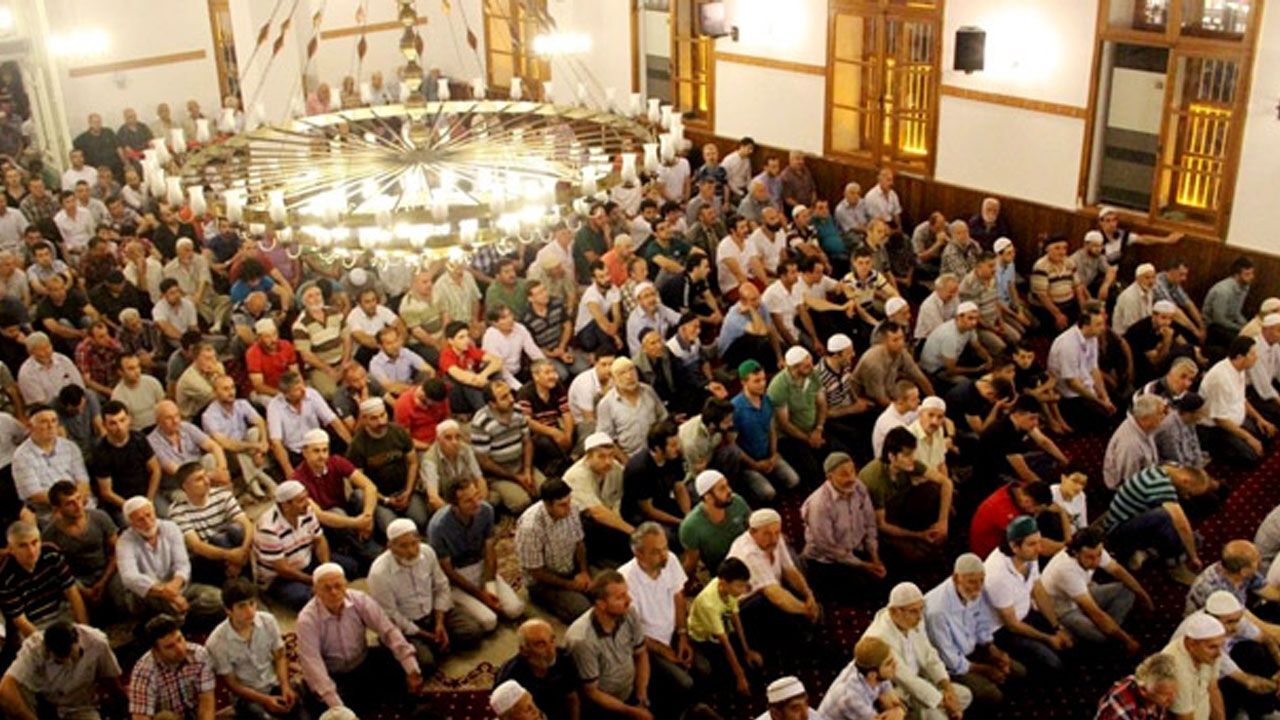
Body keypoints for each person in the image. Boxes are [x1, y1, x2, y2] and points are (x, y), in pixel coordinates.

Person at [295, 563, 426, 713]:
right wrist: (338, 707)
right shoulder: (307, 620)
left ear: (346, 584)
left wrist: (411, 670)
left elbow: (388, 631)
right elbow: (313, 663)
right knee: (320, 703)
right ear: (315, 591)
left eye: (338, 586)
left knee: (414, 664)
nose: (334, 592)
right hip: (334, 674)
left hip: (363, 661)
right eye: (327, 588)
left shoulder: (360, 600)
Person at [368, 518, 484, 675]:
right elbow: (391, 615)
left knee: (472, 632)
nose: (411, 551)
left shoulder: (427, 552)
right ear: (390, 547)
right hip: (407, 625)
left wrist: (439, 623)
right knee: (425, 664)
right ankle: (430, 645)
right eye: (403, 546)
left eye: (414, 543)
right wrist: (426, 635)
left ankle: (437, 643)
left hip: (433, 613)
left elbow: (441, 586)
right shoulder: (379, 574)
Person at [619, 522, 706, 710]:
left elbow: (678, 596)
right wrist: (664, 651)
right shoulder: (625, 580)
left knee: (704, 669)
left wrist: (682, 635)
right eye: (656, 552)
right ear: (639, 554)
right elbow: (635, 631)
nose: (664, 554)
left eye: (665, 547)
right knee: (684, 683)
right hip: (648, 645)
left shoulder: (670, 560)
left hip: (673, 632)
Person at [924, 554, 1024, 708]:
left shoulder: (974, 590)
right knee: (992, 694)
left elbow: (981, 623)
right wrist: (985, 670)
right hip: (950, 667)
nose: (978, 587)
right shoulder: (937, 611)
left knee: (1018, 671)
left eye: (981, 581)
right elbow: (950, 659)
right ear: (956, 579)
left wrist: (992, 649)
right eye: (972, 582)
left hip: (972, 650)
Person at [863, 582, 973, 719]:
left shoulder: (915, 619)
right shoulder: (879, 636)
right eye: (914, 611)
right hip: (896, 691)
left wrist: (947, 688)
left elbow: (929, 655)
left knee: (964, 695)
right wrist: (944, 702)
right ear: (894, 611)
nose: (920, 616)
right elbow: (906, 680)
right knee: (937, 714)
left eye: (921, 609)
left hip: (921, 681)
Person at [428, 476, 524, 632]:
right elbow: (447, 570)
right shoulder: (438, 528)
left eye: (477, 496)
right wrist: (481, 595)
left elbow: (489, 549)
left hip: (480, 566)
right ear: (454, 505)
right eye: (468, 501)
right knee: (489, 621)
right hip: (456, 577)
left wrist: (489, 586)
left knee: (515, 609)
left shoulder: (486, 511)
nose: (477, 503)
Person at [205, 578, 306, 719]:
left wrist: (285, 686)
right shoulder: (216, 642)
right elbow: (232, 684)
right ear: (228, 610)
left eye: (252, 603)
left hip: (273, 683)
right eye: (242, 606)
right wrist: (265, 700)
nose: (250, 611)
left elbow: (280, 656)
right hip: (247, 696)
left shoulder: (268, 621)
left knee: (299, 711)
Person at [983, 516, 1073, 673]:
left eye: (1039, 541)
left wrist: (1057, 627)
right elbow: (1012, 624)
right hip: (1002, 630)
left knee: (1068, 641)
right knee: (1052, 663)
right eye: (1032, 544)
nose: (1039, 548)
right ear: (1014, 546)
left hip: (1025, 613)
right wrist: (1048, 638)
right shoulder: (997, 575)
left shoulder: (1029, 555)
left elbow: (1037, 589)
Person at [117, 495, 223, 626]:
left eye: (149, 515)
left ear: (154, 512)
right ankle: (182, 620)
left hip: (178, 588)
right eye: (140, 520)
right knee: (143, 592)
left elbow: (182, 564)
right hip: (150, 594)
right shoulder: (124, 541)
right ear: (131, 524)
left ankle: (178, 620)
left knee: (217, 598)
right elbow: (130, 577)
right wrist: (166, 593)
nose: (147, 522)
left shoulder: (170, 528)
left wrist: (173, 589)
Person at [727, 508, 820, 658]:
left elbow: (789, 570)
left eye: (777, 532)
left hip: (774, 588)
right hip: (747, 606)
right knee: (776, 609)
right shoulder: (749, 553)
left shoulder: (775, 538)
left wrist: (809, 594)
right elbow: (774, 595)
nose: (774, 539)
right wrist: (806, 610)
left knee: (799, 565)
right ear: (752, 532)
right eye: (767, 534)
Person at [1041, 527, 1151, 652]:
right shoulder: (1066, 570)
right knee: (1101, 637)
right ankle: (1105, 632)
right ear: (1076, 553)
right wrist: (1127, 640)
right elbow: (1095, 613)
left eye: (1099, 555)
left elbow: (1118, 571)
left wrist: (1144, 596)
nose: (1096, 561)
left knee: (1128, 590)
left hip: (1083, 593)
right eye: (1090, 557)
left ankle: (1110, 628)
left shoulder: (1094, 550)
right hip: (1063, 610)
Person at [253, 481, 356, 611]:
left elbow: (319, 540)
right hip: (280, 578)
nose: (307, 503)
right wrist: (314, 580)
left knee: (350, 567)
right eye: (301, 500)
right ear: (286, 505)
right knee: (303, 598)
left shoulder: (306, 511)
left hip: (306, 560)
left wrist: (326, 569)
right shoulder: (268, 528)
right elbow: (283, 569)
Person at [564, 570, 654, 720]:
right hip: (604, 706)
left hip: (632, 690)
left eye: (626, 593)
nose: (629, 600)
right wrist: (630, 711)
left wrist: (641, 698)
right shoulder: (582, 640)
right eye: (620, 597)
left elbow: (641, 654)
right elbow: (592, 692)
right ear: (601, 604)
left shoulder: (629, 613)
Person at [860, 427, 953, 566]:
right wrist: (919, 535)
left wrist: (943, 521)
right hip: (880, 522)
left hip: (900, 506)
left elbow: (946, 482)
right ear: (892, 457)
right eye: (907, 455)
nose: (913, 458)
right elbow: (882, 525)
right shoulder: (875, 479)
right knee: (916, 555)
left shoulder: (909, 464)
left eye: (913, 453)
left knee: (934, 490)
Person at [290, 428, 381, 569]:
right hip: (323, 525)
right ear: (305, 452)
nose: (322, 456)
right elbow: (320, 515)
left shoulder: (336, 462)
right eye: (316, 451)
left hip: (346, 514)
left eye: (325, 450)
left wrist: (367, 517)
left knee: (360, 495)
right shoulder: (297, 479)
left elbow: (370, 487)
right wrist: (357, 523)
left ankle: (369, 539)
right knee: (336, 512)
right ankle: (368, 552)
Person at [801, 452, 886, 601]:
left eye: (853, 471)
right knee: (865, 589)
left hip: (855, 549)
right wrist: (864, 565)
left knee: (892, 569)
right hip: (828, 559)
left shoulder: (859, 487)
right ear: (830, 477)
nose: (851, 478)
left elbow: (870, 524)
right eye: (844, 474)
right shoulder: (820, 504)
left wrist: (875, 557)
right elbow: (828, 548)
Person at [0, 620, 122, 720]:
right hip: (40, 702)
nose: (68, 663)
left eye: (73, 658)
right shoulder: (34, 647)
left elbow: (111, 679)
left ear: (78, 640)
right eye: (59, 662)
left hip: (77, 706)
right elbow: (6, 688)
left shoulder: (97, 642)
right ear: (47, 650)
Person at [42, 481, 127, 620]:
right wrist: (83, 590)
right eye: (70, 503)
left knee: (122, 594)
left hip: (107, 572)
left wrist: (103, 581)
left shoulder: (99, 517)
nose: (78, 505)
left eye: (78, 499)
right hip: (76, 580)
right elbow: (56, 570)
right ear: (57, 508)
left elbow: (117, 551)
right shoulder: (50, 534)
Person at [345, 397, 425, 531]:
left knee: (421, 520)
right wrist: (385, 500)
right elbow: (360, 483)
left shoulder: (398, 432)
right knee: (391, 527)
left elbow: (413, 462)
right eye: (374, 418)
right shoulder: (357, 445)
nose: (381, 421)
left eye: (382, 415)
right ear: (364, 419)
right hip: (378, 497)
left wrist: (408, 491)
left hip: (404, 490)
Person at [687, 557, 762, 697]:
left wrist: (746, 650)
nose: (743, 590)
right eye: (739, 586)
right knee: (726, 678)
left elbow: (735, 617)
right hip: (704, 639)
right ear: (723, 583)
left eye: (744, 585)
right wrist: (740, 676)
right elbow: (724, 642)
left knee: (750, 663)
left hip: (724, 626)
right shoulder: (708, 604)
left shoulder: (728, 589)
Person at [168, 462, 254, 585]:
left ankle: (245, 582)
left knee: (236, 530)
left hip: (236, 551)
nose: (207, 481)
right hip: (207, 558)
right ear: (185, 486)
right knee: (219, 539)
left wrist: (242, 553)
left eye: (205, 476)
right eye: (199, 479)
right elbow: (196, 546)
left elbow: (247, 524)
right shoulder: (177, 510)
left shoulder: (222, 494)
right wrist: (230, 556)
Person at [1198, 336, 1276, 467]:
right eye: (1252, 354)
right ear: (1240, 357)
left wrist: (1260, 419)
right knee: (1251, 457)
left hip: (1236, 417)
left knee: (1267, 437)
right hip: (1217, 428)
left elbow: (1241, 399)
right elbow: (1219, 419)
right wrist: (1248, 438)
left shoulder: (1240, 369)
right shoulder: (1219, 379)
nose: (1256, 357)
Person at [0, 521, 87, 638]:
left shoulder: (51, 554)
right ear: (11, 549)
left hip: (62, 612)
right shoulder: (5, 576)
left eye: (35, 543)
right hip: (35, 624)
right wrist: (45, 644)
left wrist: (85, 629)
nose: (31, 551)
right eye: (23, 546)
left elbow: (72, 592)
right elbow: (20, 620)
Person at [733, 359, 801, 502]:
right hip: (748, 464)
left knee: (794, 480)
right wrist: (754, 464)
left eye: (763, 379)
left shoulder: (766, 400)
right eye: (756, 381)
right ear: (744, 382)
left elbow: (771, 429)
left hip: (768, 456)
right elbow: (732, 446)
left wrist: (773, 454)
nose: (762, 384)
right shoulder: (735, 408)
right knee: (768, 493)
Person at [471, 380, 542, 515]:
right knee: (522, 502)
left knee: (545, 490)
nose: (511, 399)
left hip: (521, 465)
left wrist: (527, 470)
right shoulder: (481, 422)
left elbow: (527, 442)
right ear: (492, 404)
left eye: (510, 394)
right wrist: (516, 478)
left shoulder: (517, 410)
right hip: (499, 474)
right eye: (504, 397)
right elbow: (484, 462)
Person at [127, 614, 216, 720]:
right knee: (165, 717)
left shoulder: (198, 654)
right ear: (156, 651)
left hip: (195, 715)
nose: (180, 649)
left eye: (179, 639)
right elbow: (141, 717)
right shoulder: (144, 672)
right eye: (170, 646)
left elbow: (206, 702)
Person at [201, 374, 276, 501]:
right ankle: (261, 482)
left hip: (247, 448)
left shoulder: (242, 404)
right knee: (238, 451)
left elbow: (260, 422)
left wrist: (262, 446)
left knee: (254, 432)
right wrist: (255, 446)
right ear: (215, 392)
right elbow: (227, 444)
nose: (231, 392)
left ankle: (255, 484)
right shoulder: (209, 416)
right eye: (225, 389)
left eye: (232, 388)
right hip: (228, 456)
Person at [563, 432, 634, 563]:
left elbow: (617, 499)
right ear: (588, 457)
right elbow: (597, 512)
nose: (608, 462)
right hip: (581, 525)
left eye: (611, 456)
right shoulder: (576, 475)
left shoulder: (615, 468)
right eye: (601, 456)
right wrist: (632, 531)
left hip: (608, 516)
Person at [13, 403, 91, 521]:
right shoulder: (21, 456)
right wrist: (68, 504)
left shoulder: (70, 447)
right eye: (44, 422)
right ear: (30, 426)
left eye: (54, 421)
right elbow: (34, 494)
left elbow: (83, 481)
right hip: (49, 514)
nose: (51, 426)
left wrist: (76, 503)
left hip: (83, 507)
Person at [266, 372, 351, 476]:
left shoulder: (312, 394)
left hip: (319, 443)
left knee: (340, 443)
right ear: (286, 394)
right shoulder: (274, 406)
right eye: (297, 389)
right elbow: (276, 442)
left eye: (302, 385)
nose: (303, 390)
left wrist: (351, 445)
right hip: (296, 452)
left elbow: (333, 420)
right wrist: (289, 472)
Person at [495, 619, 580, 720]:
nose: (551, 651)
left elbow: (572, 698)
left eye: (552, 640)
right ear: (524, 650)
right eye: (541, 644)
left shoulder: (563, 658)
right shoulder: (508, 680)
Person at [1048, 306, 1117, 427]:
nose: (1103, 328)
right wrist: (1099, 402)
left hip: (1086, 384)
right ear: (1085, 325)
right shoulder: (1067, 345)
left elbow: (1094, 369)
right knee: (1107, 421)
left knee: (1120, 403)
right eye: (1098, 324)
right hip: (1071, 394)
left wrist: (1105, 397)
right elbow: (1072, 383)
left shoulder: (1093, 337)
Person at [1160, 613, 1227, 720]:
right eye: (1212, 647)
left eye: (1221, 646)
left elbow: (1213, 689)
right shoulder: (1174, 667)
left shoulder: (1213, 653)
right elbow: (1184, 716)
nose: (1219, 654)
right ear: (1191, 644)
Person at [1094, 652, 1181, 720]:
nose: (1173, 698)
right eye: (1166, 694)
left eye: (1175, 691)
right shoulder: (1122, 710)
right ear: (1143, 690)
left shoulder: (1151, 686)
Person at [1202, 256, 1253, 347]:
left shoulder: (1244, 287)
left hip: (1228, 323)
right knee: (1240, 342)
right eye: (1247, 274)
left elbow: (1236, 312)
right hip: (1212, 326)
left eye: (1252, 273)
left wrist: (1247, 326)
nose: (1251, 277)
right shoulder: (1223, 291)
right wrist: (1240, 328)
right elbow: (1219, 320)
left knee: (1250, 336)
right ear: (1237, 275)